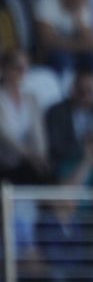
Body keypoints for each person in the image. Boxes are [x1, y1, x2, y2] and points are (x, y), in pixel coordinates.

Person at [0, 49, 50, 183]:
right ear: (4, 68)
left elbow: (38, 133)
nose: (21, 73)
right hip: (5, 161)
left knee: (44, 173)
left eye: (25, 68)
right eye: (17, 68)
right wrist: (29, 155)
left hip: (27, 162)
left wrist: (40, 156)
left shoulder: (31, 99)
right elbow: (5, 135)